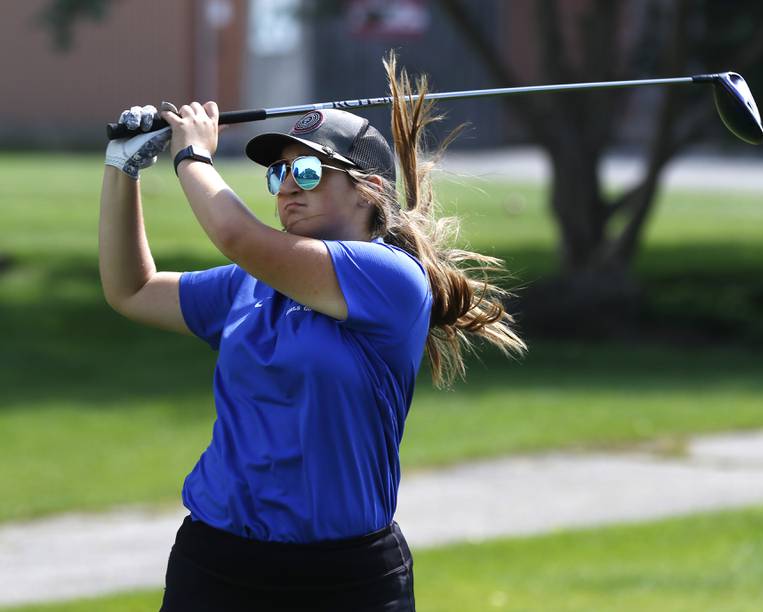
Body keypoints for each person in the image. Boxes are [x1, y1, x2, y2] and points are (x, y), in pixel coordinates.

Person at [99, 54, 525, 611]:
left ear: (367, 189)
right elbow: (132, 289)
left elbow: (234, 233)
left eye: (307, 172)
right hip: (218, 563)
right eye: (278, 174)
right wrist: (122, 170)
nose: (285, 189)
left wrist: (192, 154)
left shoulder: (389, 277)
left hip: (347, 578)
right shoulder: (245, 286)